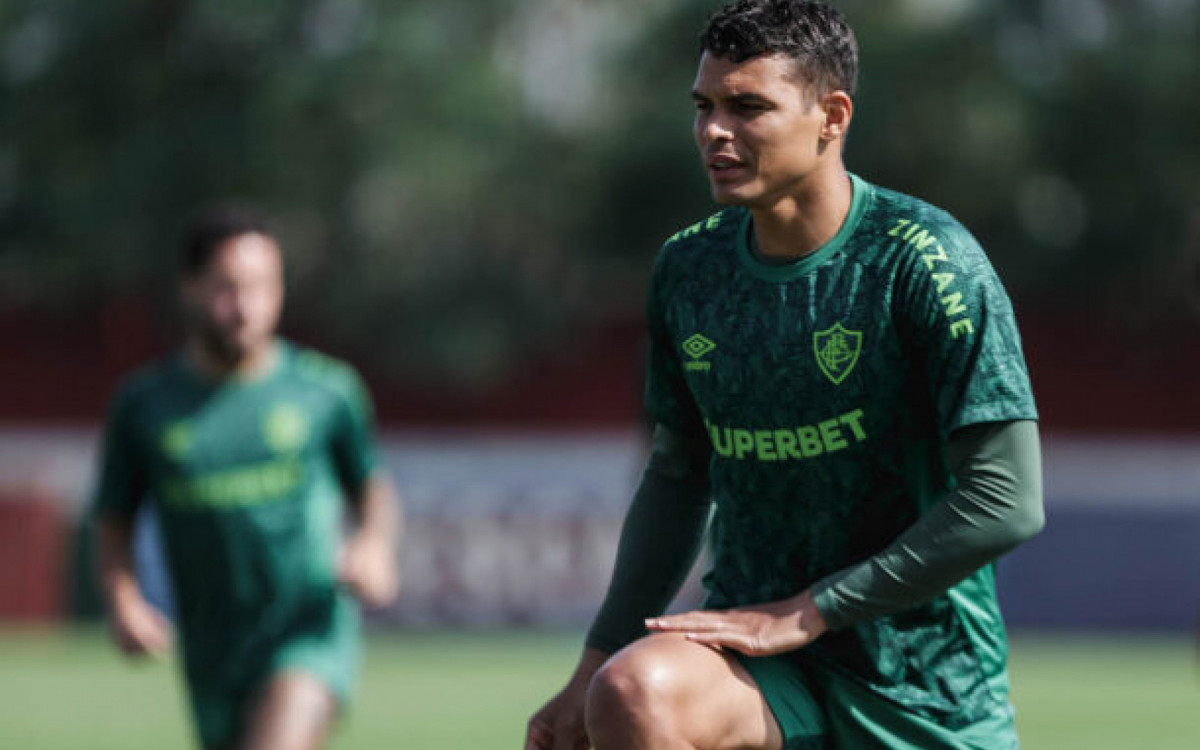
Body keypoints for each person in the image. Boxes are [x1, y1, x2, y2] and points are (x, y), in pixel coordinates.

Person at [525, 2, 1044, 749]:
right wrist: (593, 661)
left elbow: (1006, 500)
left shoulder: (926, 262)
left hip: (922, 681)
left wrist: (810, 610)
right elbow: (678, 476)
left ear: (831, 116)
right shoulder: (689, 268)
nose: (714, 131)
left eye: (747, 108)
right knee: (633, 693)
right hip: (756, 659)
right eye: (703, 106)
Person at [92, 206, 402, 750]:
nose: (246, 308)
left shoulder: (325, 392)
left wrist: (374, 546)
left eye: (262, 287)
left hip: (307, 633)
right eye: (228, 288)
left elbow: (371, 487)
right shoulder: (144, 406)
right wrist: (123, 600)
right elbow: (114, 514)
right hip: (212, 648)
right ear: (189, 288)